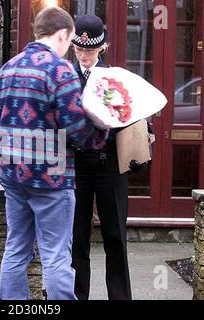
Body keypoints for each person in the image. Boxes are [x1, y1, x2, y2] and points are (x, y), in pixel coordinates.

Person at [0, 7, 107, 300]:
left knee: (16, 249)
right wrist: (100, 134)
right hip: (51, 179)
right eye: (69, 40)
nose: (70, 47)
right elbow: (76, 126)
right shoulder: (60, 69)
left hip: (11, 173)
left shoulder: (8, 67)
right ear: (62, 34)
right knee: (55, 256)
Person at [70, 14, 132, 300]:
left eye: (90, 50)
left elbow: (135, 113)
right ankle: (76, 296)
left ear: (102, 47)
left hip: (110, 164)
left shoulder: (115, 77)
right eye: (80, 49)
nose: (84, 55)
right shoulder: (65, 76)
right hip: (75, 164)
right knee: (76, 238)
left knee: (116, 236)